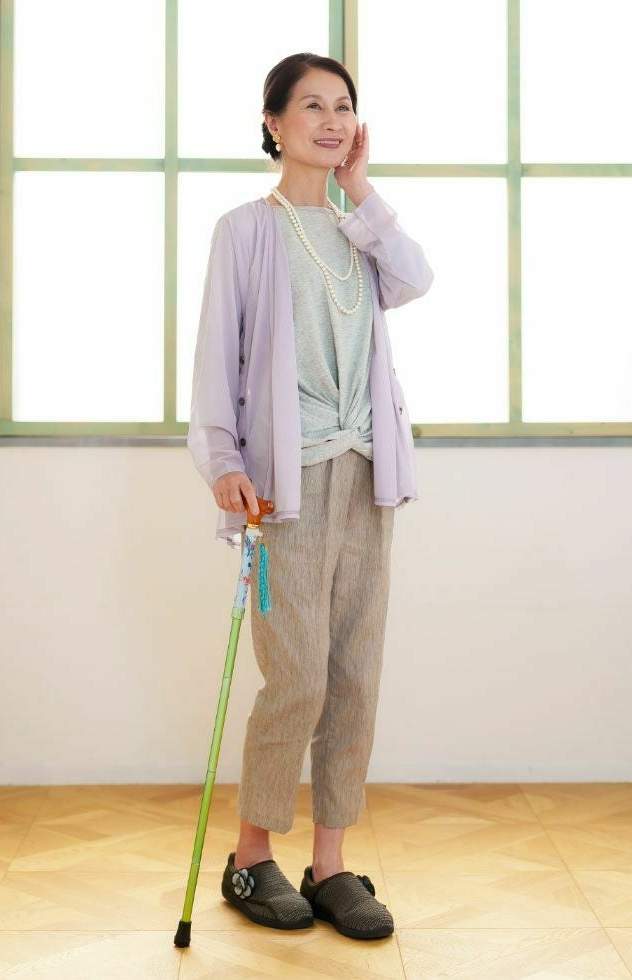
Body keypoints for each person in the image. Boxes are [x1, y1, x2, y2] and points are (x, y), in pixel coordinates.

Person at [187, 52, 434, 940]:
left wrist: (360, 190)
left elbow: (415, 279)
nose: (332, 121)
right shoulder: (245, 231)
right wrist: (222, 459)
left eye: (344, 107)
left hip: (367, 472)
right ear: (273, 123)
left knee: (353, 674)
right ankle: (251, 856)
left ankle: (330, 865)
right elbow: (216, 358)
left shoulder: (361, 231)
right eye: (313, 107)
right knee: (295, 675)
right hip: (282, 485)